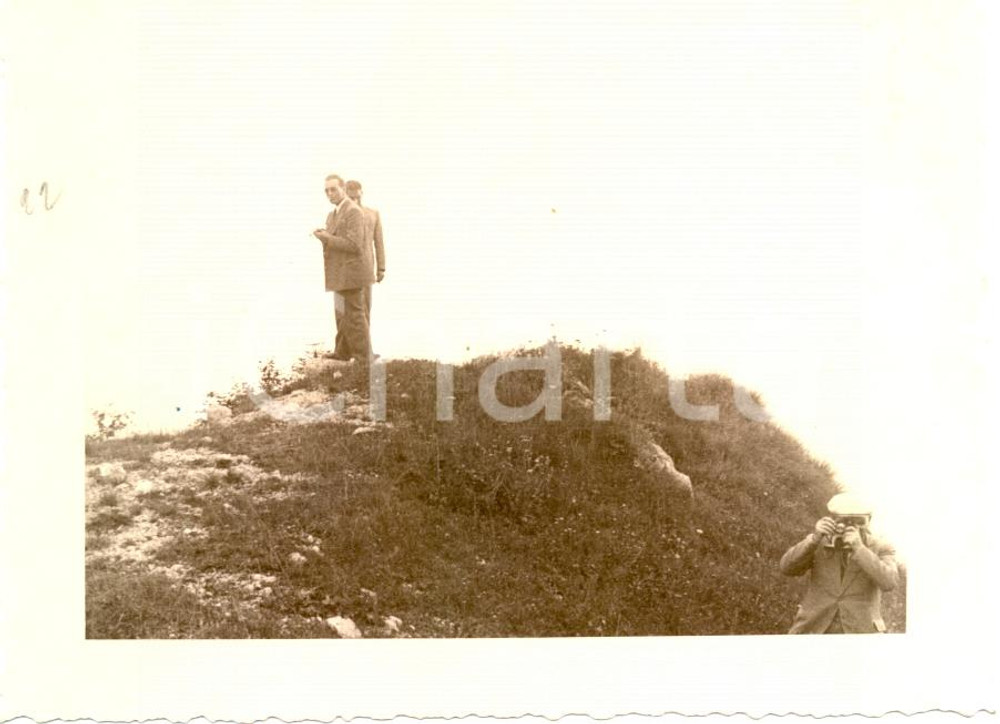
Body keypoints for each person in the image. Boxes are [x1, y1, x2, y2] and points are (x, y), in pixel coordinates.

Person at [779, 492, 900, 634]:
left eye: (857, 521)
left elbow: (889, 582)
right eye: (842, 520)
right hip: (815, 626)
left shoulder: (881, 547)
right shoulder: (819, 541)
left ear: (867, 521)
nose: (849, 526)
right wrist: (813, 539)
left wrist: (859, 549)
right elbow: (787, 568)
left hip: (861, 630)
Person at [312, 174, 374, 361]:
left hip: (352, 274)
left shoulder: (354, 211)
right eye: (326, 191)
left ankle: (364, 358)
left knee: (355, 316)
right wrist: (325, 236)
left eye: (333, 189)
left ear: (343, 189)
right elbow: (336, 242)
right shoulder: (333, 214)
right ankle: (343, 352)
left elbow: (354, 245)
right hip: (338, 275)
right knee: (341, 314)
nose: (330, 194)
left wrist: (326, 238)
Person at [345, 180, 385, 336]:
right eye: (351, 197)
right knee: (342, 310)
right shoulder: (341, 215)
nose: (354, 201)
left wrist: (381, 268)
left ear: (362, 193)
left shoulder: (373, 214)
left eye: (357, 197)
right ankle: (343, 350)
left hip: (366, 268)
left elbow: (379, 242)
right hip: (345, 269)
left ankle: (364, 351)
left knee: (364, 309)